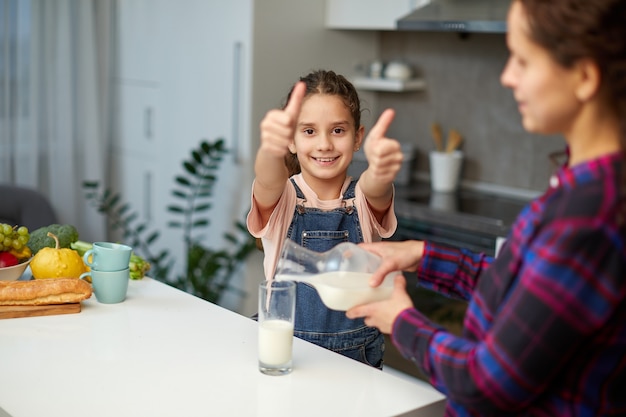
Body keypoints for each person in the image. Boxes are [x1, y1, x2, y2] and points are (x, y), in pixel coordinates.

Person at [347, 0, 626, 414]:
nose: (507, 76)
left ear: (585, 76)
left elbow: (485, 383)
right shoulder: (583, 184)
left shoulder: (589, 216)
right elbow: (523, 296)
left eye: (523, 61)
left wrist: (401, 320)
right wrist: (423, 255)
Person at [247, 69, 404, 368]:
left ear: (358, 137)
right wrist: (270, 149)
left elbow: (374, 185)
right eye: (309, 131)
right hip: (288, 350)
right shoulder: (284, 198)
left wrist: (381, 171)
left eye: (338, 130)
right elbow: (268, 180)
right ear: (291, 141)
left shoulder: (363, 199)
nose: (324, 144)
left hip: (356, 358)